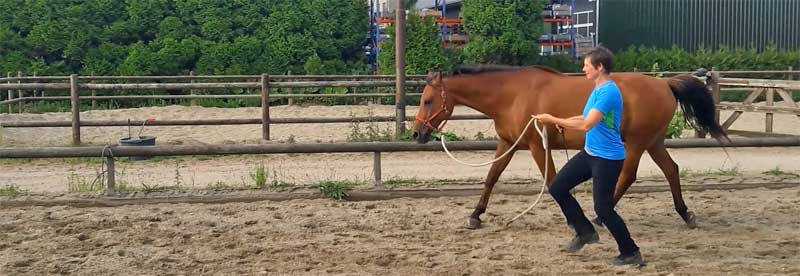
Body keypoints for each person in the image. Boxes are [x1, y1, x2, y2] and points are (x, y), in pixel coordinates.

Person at [532, 46, 644, 266]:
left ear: (599, 67)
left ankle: (631, 251)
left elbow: (586, 124)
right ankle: (584, 231)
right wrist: (555, 121)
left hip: (608, 159)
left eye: (587, 65)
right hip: (591, 153)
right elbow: (583, 117)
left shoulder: (609, 92)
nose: (583, 68)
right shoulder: (597, 90)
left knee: (603, 209)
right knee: (557, 187)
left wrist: (552, 118)